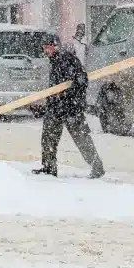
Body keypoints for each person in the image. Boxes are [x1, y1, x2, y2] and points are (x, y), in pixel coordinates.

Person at [34, 39, 105, 179]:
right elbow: (54, 88)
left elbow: (82, 80)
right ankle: (49, 168)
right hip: (55, 108)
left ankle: (97, 168)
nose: (46, 51)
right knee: (48, 138)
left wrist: (68, 94)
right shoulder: (53, 61)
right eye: (45, 48)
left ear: (55, 47)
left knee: (82, 139)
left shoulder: (68, 59)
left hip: (72, 108)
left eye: (48, 47)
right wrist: (46, 106)